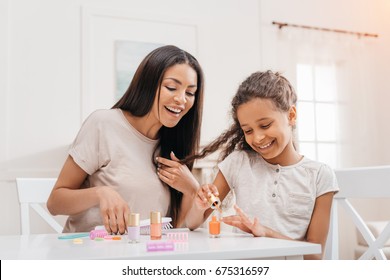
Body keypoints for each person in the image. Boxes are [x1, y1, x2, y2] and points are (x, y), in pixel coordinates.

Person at [47, 45, 204, 234]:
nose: (181, 99)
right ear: (148, 83)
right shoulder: (103, 124)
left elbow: (174, 228)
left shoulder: (174, 145)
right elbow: (55, 203)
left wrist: (191, 190)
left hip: (141, 257)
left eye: (190, 93)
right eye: (172, 87)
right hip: (89, 252)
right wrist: (100, 193)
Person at [184, 70, 339, 259]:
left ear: (291, 115)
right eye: (248, 130)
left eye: (265, 125)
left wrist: (267, 233)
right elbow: (192, 223)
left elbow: (314, 256)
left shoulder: (319, 175)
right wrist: (199, 206)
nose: (257, 138)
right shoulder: (238, 163)